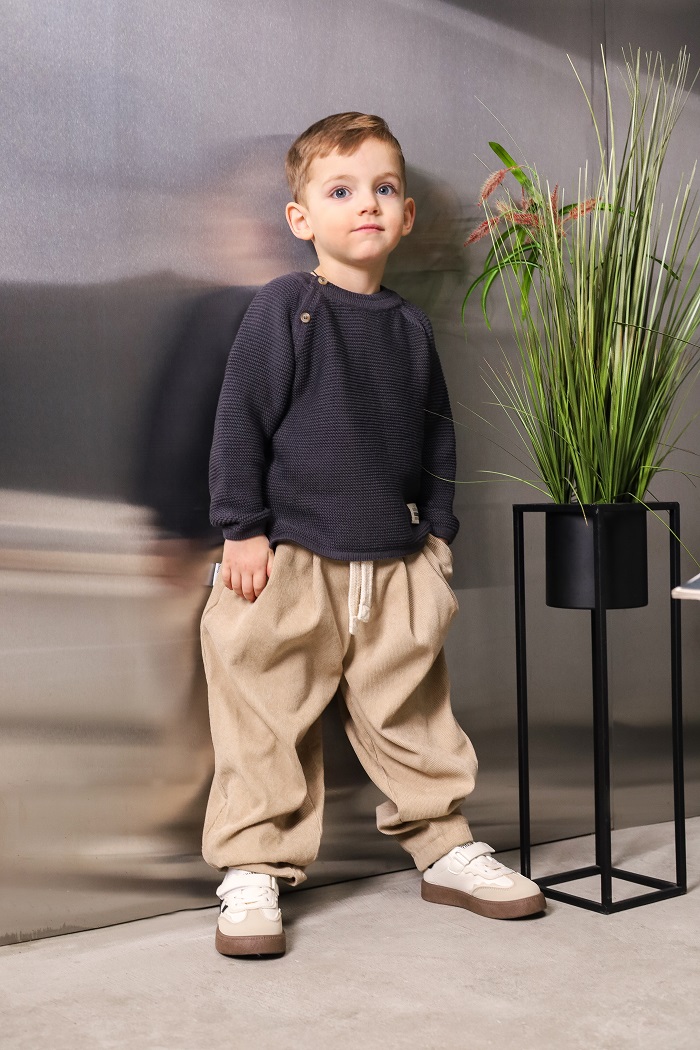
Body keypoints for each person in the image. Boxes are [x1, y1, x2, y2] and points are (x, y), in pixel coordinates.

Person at [200, 112, 546, 957]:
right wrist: (241, 530)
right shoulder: (287, 307)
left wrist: (438, 537)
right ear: (301, 218)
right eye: (341, 190)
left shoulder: (408, 327)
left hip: (394, 561)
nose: (367, 204)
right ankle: (252, 866)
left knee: (414, 712)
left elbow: (437, 437)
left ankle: (445, 848)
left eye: (384, 189)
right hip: (289, 562)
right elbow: (240, 419)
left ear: (407, 215)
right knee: (262, 715)